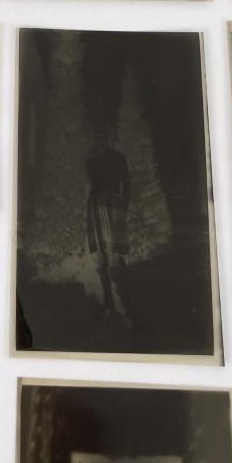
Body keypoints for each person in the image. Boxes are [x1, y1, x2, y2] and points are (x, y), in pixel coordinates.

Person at [86, 133, 131, 325]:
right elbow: (91, 184)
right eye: (98, 137)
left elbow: (126, 184)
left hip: (112, 205)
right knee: (102, 255)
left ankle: (123, 304)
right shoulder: (91, 161)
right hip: (97, 205)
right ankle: (109, 303)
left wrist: (123, 207)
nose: (101, 141)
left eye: (104, 137)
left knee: (116, 255)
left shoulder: (118, 158)